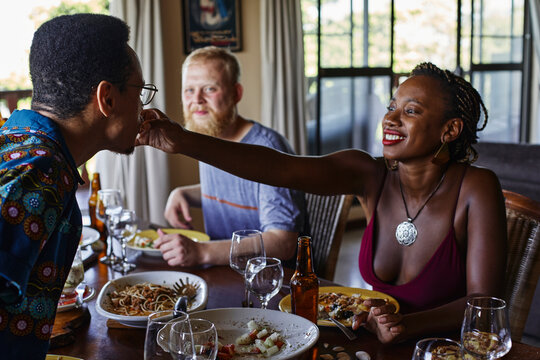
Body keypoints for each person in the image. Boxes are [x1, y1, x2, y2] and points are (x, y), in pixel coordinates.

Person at [136, 62, 507, 343]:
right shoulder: (369, 174)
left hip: (442, 349)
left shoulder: (476, 188)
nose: (390, 118)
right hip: (370, 343)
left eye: (411, 111)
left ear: (450, 129)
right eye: (391, 106)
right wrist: (182, 141)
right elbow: (279, 168)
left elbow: (484, 304)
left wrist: (405, 325)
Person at [0, 14, 149, 358]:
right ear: (107, 99)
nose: (143, 108)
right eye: (140, 93)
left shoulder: (26, 148)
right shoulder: (41, 172)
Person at [155, 46, 306, 267]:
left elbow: (282, 242)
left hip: (269, 286)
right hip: (224, 273)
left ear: (236, 94)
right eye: (189, 90)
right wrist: (183, 193)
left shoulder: (267, 149)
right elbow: (239, 190)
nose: (197, 99)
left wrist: (201, 252)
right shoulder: (208, 137)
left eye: (209, 88)